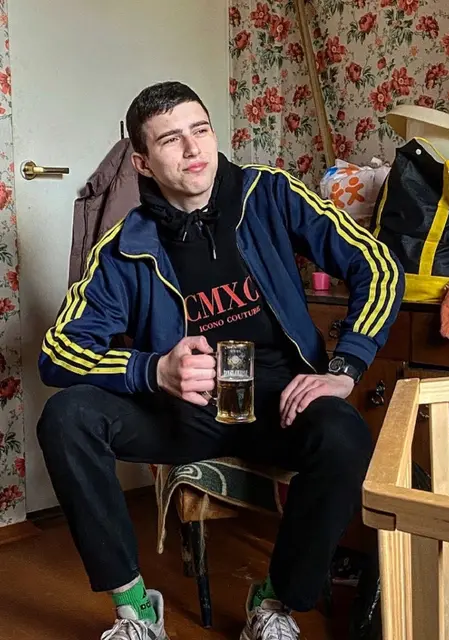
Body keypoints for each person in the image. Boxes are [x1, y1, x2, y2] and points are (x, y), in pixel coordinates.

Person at [37, 81, 404, 640]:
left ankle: (274, 603)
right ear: (142, 162)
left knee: (344, 432)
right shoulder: (123, 247)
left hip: (279, 403)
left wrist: (345, 367)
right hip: (183, 414)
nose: (193, 149)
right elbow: (58, 350)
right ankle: (136, 611)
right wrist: (152, 370)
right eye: (170, 139)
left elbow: (377, 265)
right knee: (66, 417)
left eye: (201, 130)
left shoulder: (270, 193)